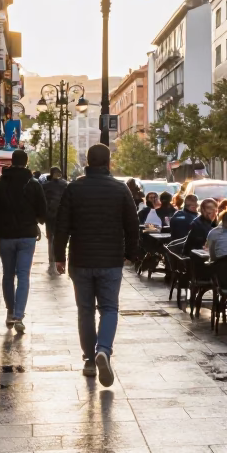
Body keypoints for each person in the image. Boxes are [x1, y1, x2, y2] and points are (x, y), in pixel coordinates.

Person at [53, 144, 140, 387]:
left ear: (87, 162)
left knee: (85, 310)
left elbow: (62, 226)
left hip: (81, 259)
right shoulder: (120, 189)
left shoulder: (74, 189)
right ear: (108, 162)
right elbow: (132, 226)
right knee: (109, 308)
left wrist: (59, 256)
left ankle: (90, 360)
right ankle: (104, 349)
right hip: (110, 260)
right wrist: (131, 254)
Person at [0, 150, 47, 333]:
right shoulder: (33, 184)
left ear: (12, 162)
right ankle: (19, 315)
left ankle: (10, 312)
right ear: (26, 163)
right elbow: (43, 211)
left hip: (5, 236)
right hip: (27, 235)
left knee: (8, 274)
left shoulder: (0, 184)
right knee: (24, 275)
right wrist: (36, 219)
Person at [42, 166, 69, 272]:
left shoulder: (45, 185)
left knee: (50, 238)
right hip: (61, 214)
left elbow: (43, 200)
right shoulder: (64, 185)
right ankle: (57, 256)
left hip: (50, 214)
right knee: (59, 236)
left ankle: (51, 258)